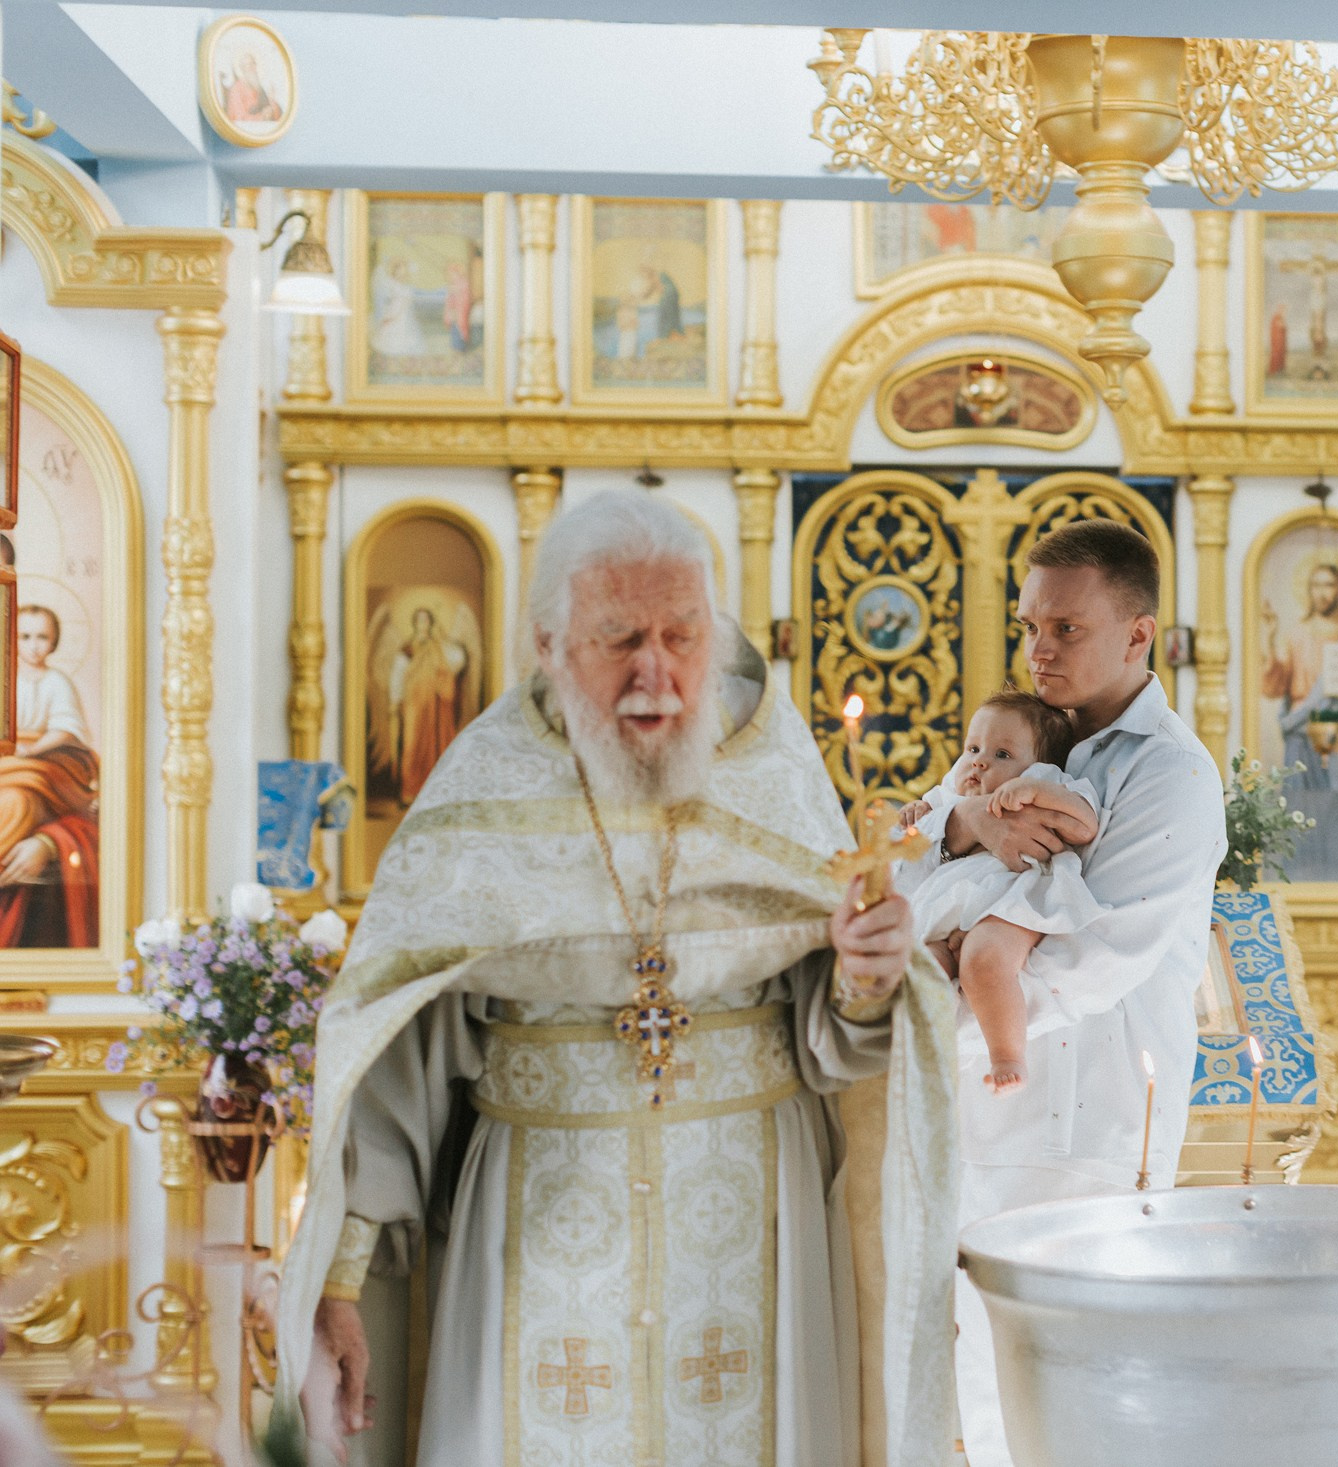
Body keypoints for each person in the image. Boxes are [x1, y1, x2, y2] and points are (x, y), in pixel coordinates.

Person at [272, 489, 959, 1467]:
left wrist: (865, 974)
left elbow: (835, 1030)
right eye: (618, 637)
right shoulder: (485, 783)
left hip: (753, 1213)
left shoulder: (775, 759)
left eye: (683, 635)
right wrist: (342, 1284)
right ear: (548, 647)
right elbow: (399, 1039)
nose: (658, 671)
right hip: (536, 1213)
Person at [901, 520, 1224, 1467]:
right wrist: (960, 823)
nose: (1039, 648)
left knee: (1075, 1404)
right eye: (1030, 625)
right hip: (975, 1113)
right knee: (966, 1386)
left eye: (1067, 629)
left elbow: (1092, 959)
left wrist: (920, 1015)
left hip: (1087, 1127)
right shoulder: (1010, 740)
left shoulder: (1168, 773)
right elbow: (892, 856)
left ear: (1139, 635)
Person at [898, 688, 1103, 1095]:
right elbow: (909, 848)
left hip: (1011, 901)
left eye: (1002, 755)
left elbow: (1085, 826)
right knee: (920, 969)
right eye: (973, 747)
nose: (979, 761)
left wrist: (1040, 794)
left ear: (1039, 765)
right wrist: (917, 815)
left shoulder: (1045, 782)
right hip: (947, 908)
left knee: (984, 960)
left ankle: (1007, 1056)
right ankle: (921, 1060)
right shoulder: (952, 795)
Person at [1258, 562, 1338, 881]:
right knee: (1300, 800)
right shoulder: (1297, 634)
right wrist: (1268, 639)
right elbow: (1274, 686)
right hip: (1300, 729)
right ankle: (1300, 872)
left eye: (1330, 585)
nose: (1323, 593)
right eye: (1317, 585)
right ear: (1308, 591)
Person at [0, 606, 98, 947]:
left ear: (54, 642)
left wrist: (31, 751)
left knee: (17, 802)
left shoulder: (56, 682)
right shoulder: (5, 674)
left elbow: (66, 729)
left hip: (45, 763)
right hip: (8, 758)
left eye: (42, 637)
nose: (33, 646)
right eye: (25, 636)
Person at [387, 606, 468, 806]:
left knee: (435, 746)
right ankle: (410, 792)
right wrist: (395, 700)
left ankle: (436, 794)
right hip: (414, 705)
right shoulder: (408, 648)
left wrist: (442, 641)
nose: (422, 624)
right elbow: (398, 675)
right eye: (419, 620)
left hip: (435, 704)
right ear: (414, 623)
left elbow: (456, 663)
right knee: (412, 746)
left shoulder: (439, 646)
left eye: (426, 620)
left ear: (431, 623)